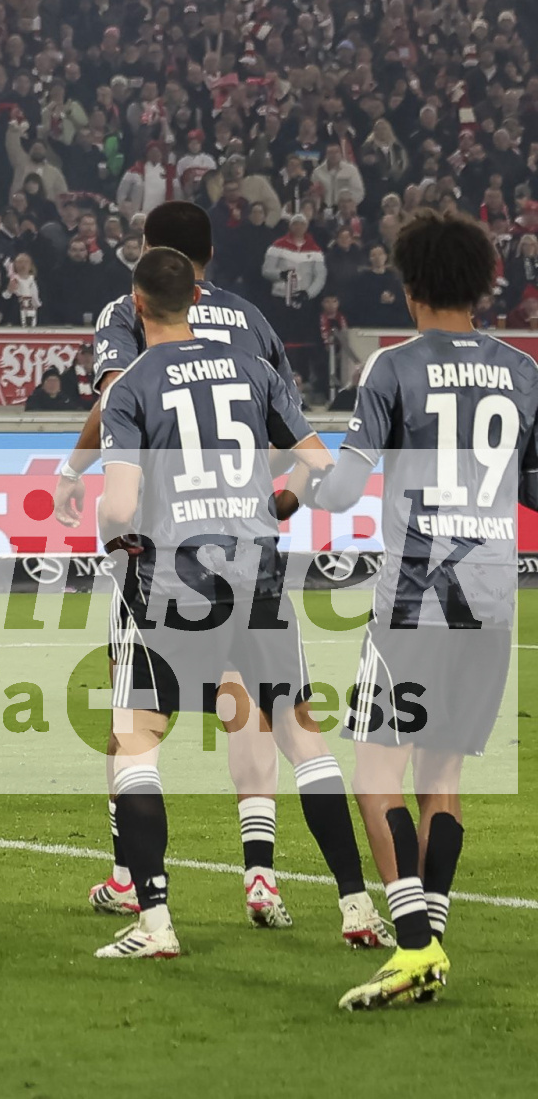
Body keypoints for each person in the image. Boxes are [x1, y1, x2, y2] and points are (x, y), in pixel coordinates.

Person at [92, 247, 381, 959]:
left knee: (137, 737)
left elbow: (120, 506)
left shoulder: (131, 385)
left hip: (174, 577)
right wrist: (274, 495)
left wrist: (113, 534)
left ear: (137, 304)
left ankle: (156, 923)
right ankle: (356, 905)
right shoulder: (253, 369)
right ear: (196, 297)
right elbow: (321, 467)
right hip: (257, 571)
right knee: (302, 735)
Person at [52, 203, 318, 928]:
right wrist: (266, 491)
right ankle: (261, 877)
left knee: (134, 713)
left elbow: (117, 398)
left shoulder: (127, 308)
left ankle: (128, 877)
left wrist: (73, 469)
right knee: (248, 705)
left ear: (147, 253)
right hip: (247, 540)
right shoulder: (253, 320)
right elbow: (289, 425)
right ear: (211, 256)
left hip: (162, 543)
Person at [302, 212, 538, 1010]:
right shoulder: (522, 370)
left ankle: (412, 944)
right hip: (492, 602)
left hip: (414, 600)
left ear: (409, 287)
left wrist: (296, 485)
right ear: (482, 285)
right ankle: (430, 938)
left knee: (377, 774)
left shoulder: (393, 366)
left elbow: (344, 488)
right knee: (442, 774)